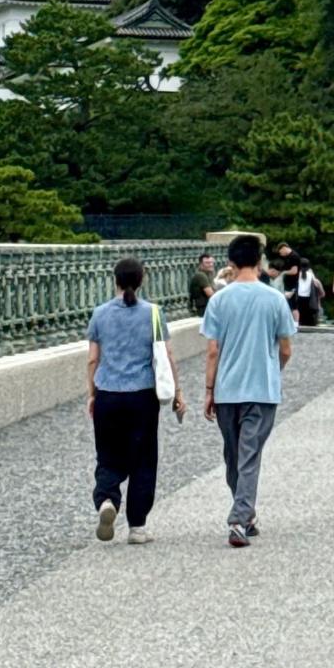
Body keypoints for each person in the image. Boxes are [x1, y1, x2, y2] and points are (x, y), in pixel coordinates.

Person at [202, 235, 296, 548]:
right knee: (249, 454)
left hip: (227, 389)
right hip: (261, 389)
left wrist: (209, 389)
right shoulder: (275, 299)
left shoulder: (219, 300)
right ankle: (243, 517)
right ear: (260, 261)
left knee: (233, 455)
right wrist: (273, 370)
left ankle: (241, 515)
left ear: (230, 261)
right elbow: (286, 348)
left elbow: (212, 350)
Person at [87, 257, 187, 545]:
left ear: (115, 280)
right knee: (143, 458)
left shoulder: (100, 314)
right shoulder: (153, 313)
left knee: (108, 454)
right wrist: (178, 392)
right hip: (142, 395)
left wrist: (92, 394)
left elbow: (93, 359)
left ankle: (107, 499)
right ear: (141, 280)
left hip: (108, 394)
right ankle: (137, 527)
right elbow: (167, 356)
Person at [275, 242, 301, 320]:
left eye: (280, 252)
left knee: (293, 305)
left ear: (283, 248)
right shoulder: (287, 257)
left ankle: (296, 322)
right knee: (288, 303)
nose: (281, 254)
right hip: (287, 284)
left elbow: (294, 271)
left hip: (293, 283)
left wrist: (283, 273)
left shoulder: (294, 256)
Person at [296, 258, 324, 327]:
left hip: (298, 299)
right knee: (309, 321)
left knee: (300, 320)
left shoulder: (296, 275)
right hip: (309, 300)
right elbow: (317, 285)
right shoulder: (311, 275)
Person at [189, 252, 215, 316]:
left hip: (206, 308)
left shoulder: (209, 275)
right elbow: (211, 294)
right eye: (207, 263)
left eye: (212, 262)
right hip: (202, 310)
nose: (210, 264)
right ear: (201, 264)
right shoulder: (201, 275)